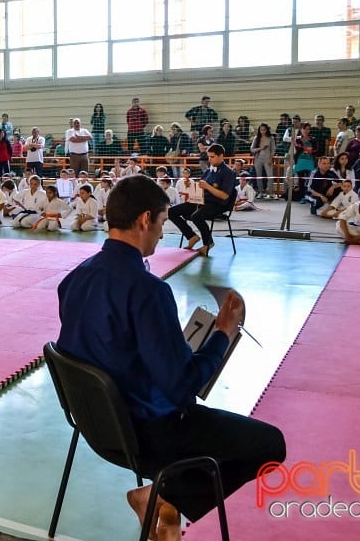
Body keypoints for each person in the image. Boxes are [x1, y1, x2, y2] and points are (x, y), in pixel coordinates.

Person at [56, 175, 285, 541]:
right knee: (269, 444)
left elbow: (109, 348)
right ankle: (159, 495)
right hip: (145, 432)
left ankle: (168, 506)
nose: (163, 233)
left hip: (94, 426)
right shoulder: (148, 291)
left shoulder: (73, 279)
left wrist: (170, 348)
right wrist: (223, 333)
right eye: (163, 222)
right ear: (145, 219)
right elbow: (181, 390)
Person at [169, 144, 235, 257]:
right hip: (202, 201)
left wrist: (208, 187)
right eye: (209, 157)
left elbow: (224, 196)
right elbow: (201, 187)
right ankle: (192, 236)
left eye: (212, 157)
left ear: (221, 156)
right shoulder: (208, 171)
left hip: (217, 204)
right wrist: (192, 186)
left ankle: (208, 243)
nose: (209, 159)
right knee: (171, 212)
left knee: (196, 216)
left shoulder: (228, 173)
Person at [249, 123, 276, 198]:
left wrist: (271, 159)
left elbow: (273, 149)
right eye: (261, 130)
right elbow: (252, 149)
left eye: (264, 130)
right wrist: (260, 148)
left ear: (267, 130)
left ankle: (271, 193)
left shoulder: (271, 138)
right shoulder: (256, 138)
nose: (262, 131)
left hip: (267, 159)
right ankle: (260, 192)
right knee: (259, 176)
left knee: (270, 175)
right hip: (258, 159)